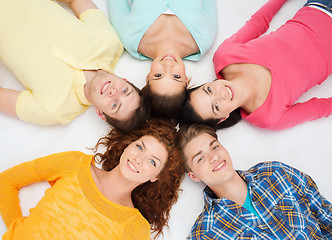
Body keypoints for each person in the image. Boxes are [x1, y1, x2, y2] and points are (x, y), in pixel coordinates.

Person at [0, 119, 184, 239]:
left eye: (152, 161)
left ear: (156, 177)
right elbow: (6, 181)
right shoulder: (75, 163)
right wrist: (16, 231)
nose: (139, 158)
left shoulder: (135, 228)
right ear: (128, 146)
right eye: (140, 147)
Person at [0, 0, 150, 131]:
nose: (114, 93)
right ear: (125, 80)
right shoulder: (109, 41)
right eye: (125, 90)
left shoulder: (54, 109)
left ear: (100, 113)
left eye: (114, 105)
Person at [181, 0, 332, 130]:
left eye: (208, 90)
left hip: (318, 6)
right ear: (223, 118)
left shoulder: (224, 57)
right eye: (216, 107)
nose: (221, 94)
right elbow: (319, 108)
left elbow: (259, 21)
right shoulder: (269, 117)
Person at [176, 124, 332, 239]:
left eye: (215, 147)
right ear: (194, 176)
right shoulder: (205, 234)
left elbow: (325, 215)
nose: (214, 157)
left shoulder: (275, 173)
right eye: (201, 158)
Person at [107, 0, 218, 118]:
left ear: (148, 77)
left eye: (158, 75)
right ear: (186, 80)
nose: (168, 65)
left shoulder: (130, 39)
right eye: (176, 76)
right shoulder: (205, 39)